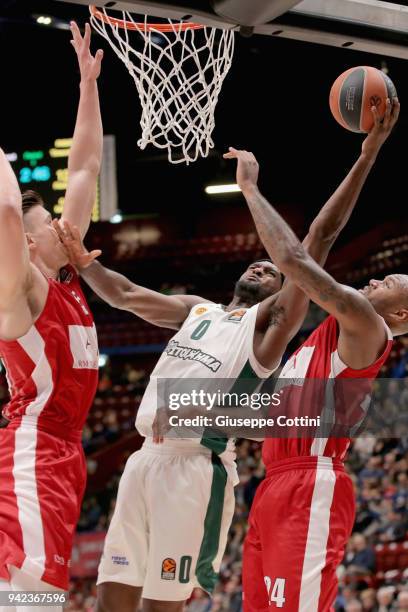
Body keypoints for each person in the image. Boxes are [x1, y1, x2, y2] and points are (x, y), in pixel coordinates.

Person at [57, 100, 397, 612]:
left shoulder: (271, 329)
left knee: (161, 605)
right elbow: (127, 296)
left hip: (199, 467)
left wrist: (361, 157)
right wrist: (84, 264)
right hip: (147, 459)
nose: (265, 267)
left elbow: (311, 245)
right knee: (111, 600)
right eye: (258, 264)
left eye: (274, 275)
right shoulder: (199, 310)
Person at [222, 101, 403, 612]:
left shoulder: (368, 326)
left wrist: (251, 191)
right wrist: (366, 155)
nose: (377, 278)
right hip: (276, 484)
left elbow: (296, 256)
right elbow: (320, 237)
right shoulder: (319, 342)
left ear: (404, 312)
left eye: (391, 282)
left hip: (310, 483)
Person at [0, 22, 103, 611]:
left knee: (38, 598)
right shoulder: (22, 290)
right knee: (29, 600)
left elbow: (86, 164)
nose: (68, 222)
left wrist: (88, 85)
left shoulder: (64, 276)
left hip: (63, 452)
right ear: (32, 245)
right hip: (33, 450)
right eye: (53, 223)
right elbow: (10, 211)